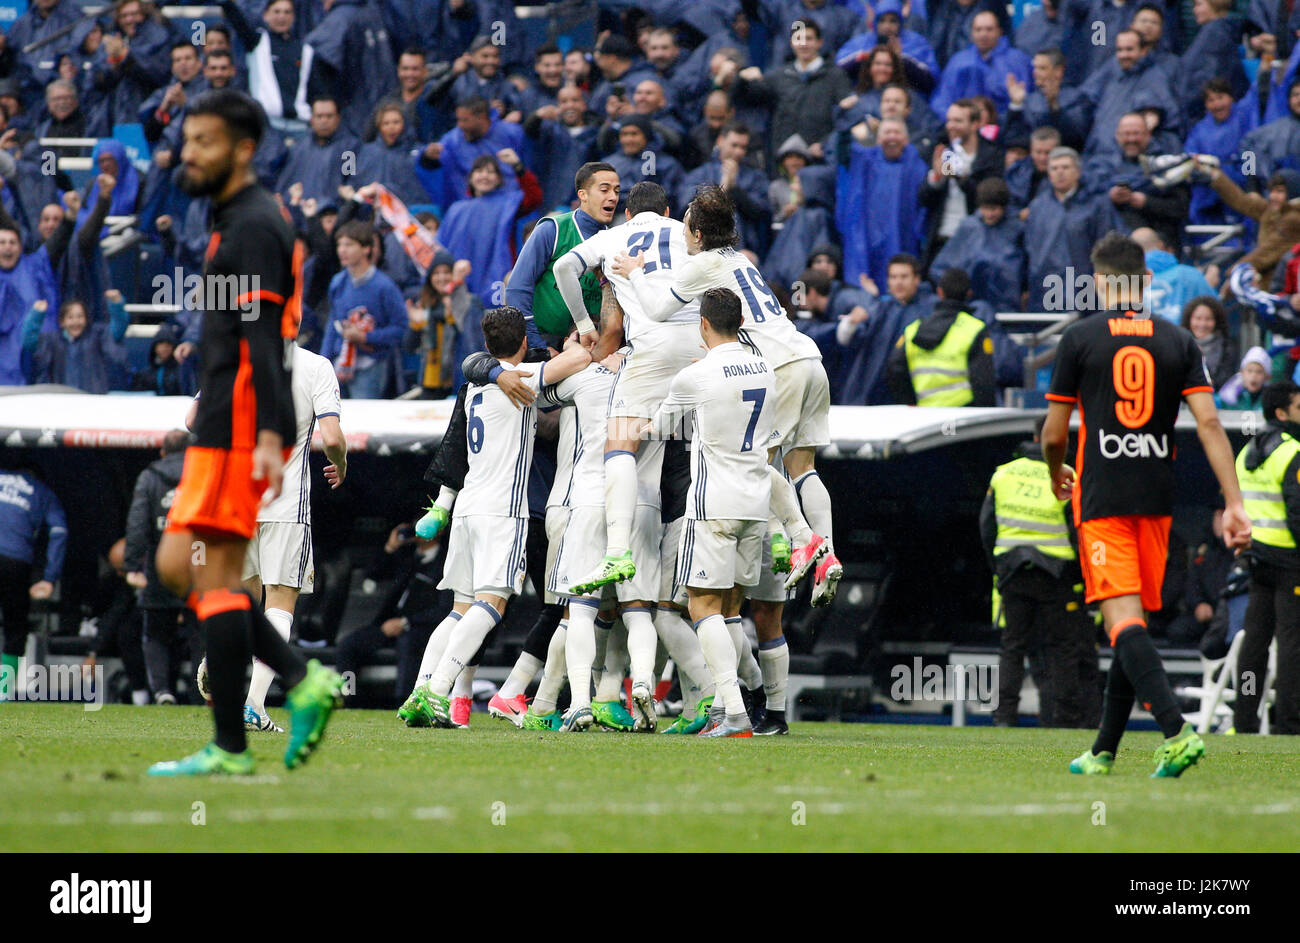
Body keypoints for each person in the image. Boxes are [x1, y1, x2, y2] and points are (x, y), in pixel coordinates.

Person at [150, 88, 343, 777]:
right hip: (218, 424)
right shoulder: (230, 219)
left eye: (204, 141)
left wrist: (266, 431)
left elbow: (266, 339)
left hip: (236, 428)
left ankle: (241, 731)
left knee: (200, 569)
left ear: (242, 149)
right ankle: (290, 687)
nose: (189, 151)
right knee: (193, 569)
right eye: (188, 138)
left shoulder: (257, 224)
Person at [1041, 231, 1252, 777]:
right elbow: (1209, 423)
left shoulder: (1080, 338)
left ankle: (1177, 733)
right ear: (1147, 281)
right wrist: (1234, 503)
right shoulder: (1180, 341)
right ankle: (1104, 750)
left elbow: (1052, 435)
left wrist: (1055, 469)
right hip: (1157, 501)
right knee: (1129, 624)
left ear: (1097, 280)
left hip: (1103, 498)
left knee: (1122, 623)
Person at [606, 185, 843, 606]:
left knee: (756, 461)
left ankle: (803, 539)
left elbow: (658, 310)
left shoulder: (703, 266)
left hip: (779, 366)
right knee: (802, 466)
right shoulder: (742, 260)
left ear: (696, 233)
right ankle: (826, 553)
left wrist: (634, 272)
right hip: (809, 356)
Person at [400, 307, 594, 728]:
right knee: (493, 605)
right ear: (522, 343)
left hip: (468, 505)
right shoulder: (522, 378)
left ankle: (421, 687)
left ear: (487, 345)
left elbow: (477, 366)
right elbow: (577, 361)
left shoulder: (473, 387)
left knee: (458, 609)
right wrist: (581, 342)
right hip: (503, 511)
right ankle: (438, 691)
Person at [553, 181, 705, 719]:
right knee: (644, 607)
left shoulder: (617, 239)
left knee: (578, 609)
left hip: (591, 497)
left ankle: (574, 702)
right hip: (704, 349)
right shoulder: (690, 237)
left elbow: (563, 270)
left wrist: (584, 326)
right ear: (668, 212)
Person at [648, 286, 774, 738]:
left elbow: (659, 428)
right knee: (731, 609)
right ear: (740, 323)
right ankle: (729, 707)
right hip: (755, 504)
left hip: (713, 506)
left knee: (702, 607)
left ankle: (734, 712)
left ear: (702, 324)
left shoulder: (696, 374)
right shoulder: (765, 366)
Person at [236, 343, 347, 730]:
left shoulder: (237, 356)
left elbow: (193, 417)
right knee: (280, 604)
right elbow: (331, 437)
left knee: (242, 604)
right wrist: (341, 463)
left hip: (237, 500)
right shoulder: (316, 366)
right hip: (283, 503)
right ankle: (252, 703)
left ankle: (224, 669)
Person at [981, 418, 1099, 727]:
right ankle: (1067, 718)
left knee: (1013, 646)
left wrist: (999, 567)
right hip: (1055, 574)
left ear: (1034, 435)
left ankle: (1004, 717)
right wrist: (1080, 577)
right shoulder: (1069, 476)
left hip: (1012, 572)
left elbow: (986, 527)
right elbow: (1079, 531)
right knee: (1062, 647)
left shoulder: (1002, 474)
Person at [1233, 381, 1300, 733]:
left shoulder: (1247, 450)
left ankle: (1244, 719)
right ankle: (1289, 724)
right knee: (1292, 646)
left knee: (1254, 645)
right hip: (1290, 560)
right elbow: (1298, 512)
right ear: (1281, 413)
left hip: (1256, 558)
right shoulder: (1292, 451)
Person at [504, 161, 619, 350]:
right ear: (583, 195)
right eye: (605, 190)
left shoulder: (616, 240)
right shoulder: (552, 229)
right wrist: (537, 346)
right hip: (544, 341)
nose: (613, 197)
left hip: (592, 345)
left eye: (616, 190)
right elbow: (517, 289)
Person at [124, 429, 202, 704]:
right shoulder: (202, 471)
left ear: (162, 452)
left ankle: (161, 691)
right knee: (200, 633)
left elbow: (137, 523)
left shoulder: (150, 476)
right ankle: (200, 694)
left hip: (162, 556)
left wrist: (133, 565)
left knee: (156, 631)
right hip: (197, 556)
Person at [320, 220, 407, 398]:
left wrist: (365, 337)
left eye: (349, 244)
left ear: (366, 248)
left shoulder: (384, 286)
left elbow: (400, 328)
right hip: (339, 364)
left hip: (370, 365)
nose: (342, 250)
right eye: (339, 245)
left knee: (363, 421)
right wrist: (324, 360)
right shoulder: (338, 282)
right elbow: (333, 323)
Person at [0, 464, 66, 700]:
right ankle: (3, 693)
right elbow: (59, 531)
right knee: (15, 629)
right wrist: (49, 578)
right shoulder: (42, 491)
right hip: (15, 561)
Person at [886, 268, 995, 406]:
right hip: (964, 415)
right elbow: (983, 380)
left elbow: (895, 369)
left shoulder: (912, 330)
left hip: (926, 416)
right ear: (969, 293)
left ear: (940, 292)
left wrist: (911, 403)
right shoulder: (975, 328)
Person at [929, 177, 1025, 311]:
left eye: (994, 209)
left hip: (1007, 304)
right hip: (971, 304)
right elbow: (942, 267)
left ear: (1004, 207)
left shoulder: (1016, 228)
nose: (989, 214)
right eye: (985, 208)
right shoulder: (969, 227)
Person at [929, 9, 1031, 119]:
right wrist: (953, 120)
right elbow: (942, 100)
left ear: (999, 31)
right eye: (978, 30)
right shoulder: (958, 61)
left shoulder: (1017, 60)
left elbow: (1027, 98)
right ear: (972, 33)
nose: (983, 34)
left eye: (989, 29)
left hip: (1009, 125)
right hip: (966, 128)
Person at [26, 293, 127, 392]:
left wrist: (116, 304)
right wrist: (36, 315)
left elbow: (117, 330)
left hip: (92, 399)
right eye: (70, 317)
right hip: (61, 400)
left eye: (80, 317)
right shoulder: (52, 341)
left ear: (86, 319)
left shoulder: (96, 336)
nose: (76, 322)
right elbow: (29, 342)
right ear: (62, 322)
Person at [1134, 227, 1215, 324]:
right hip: (1183, 338)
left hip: (1139, 336)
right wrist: (1209, 285)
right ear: (1160, 245)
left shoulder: (1123, 280)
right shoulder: (1191, 275)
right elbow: (1215, 311)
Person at [1179, 295, 1237, 390]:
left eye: (1208, 319)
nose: (1202, 324)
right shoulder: (1180, 345)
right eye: (1198, 318)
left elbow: (1225, 380)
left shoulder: (1226, 347)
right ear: (1189, 319)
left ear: (1216, 321)